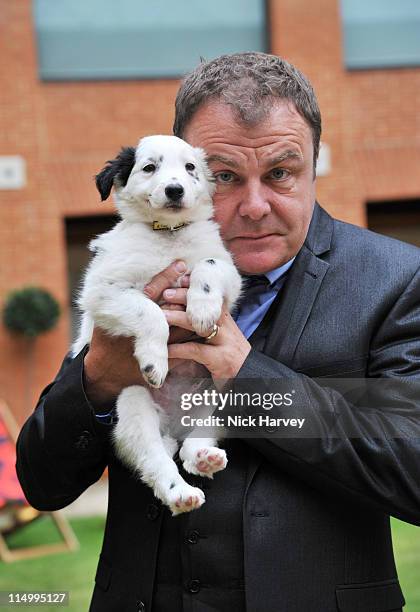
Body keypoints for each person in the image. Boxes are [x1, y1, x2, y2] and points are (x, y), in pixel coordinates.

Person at [16, 52, 420, 612]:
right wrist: (98, 380)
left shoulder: (394, 280)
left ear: (314, 164)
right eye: (225, 176)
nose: (254, 207)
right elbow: (41, 483)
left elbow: (412, 467)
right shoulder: (132, 271)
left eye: (280, 172)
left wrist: (244, 374)